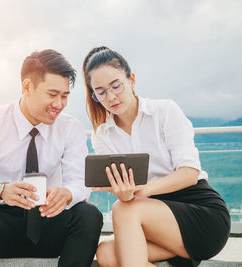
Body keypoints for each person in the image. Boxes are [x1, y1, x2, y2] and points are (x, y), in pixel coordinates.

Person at [0, 49, 103, 267]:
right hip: (0, 223)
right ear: (27, 87)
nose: (59, 104)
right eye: (52, 94)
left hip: (48, 221)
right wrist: (2, 190)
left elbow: (81, 184)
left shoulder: (70, 127)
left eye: (65, 96)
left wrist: (67, 194)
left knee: (89, 215)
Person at [82, 46, 230, 267]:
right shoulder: (102, 135)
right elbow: (127, 198)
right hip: (152, 220)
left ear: (131, 80)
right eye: (101, 92)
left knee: (122, 210)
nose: (111, 96)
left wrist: (143, 190)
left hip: (201, 214)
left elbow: (189, 174)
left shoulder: (165, 111)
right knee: (106, 254)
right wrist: (125, 194)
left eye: (116, 86)